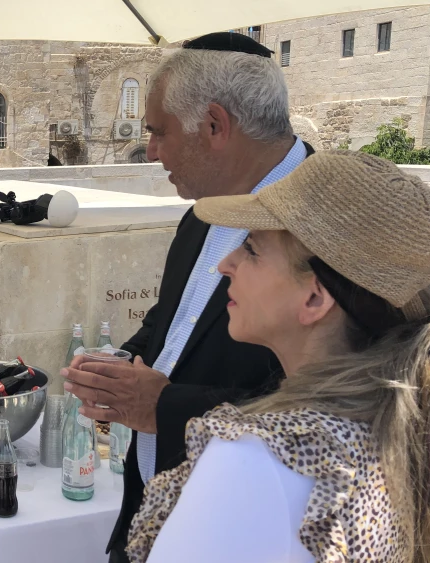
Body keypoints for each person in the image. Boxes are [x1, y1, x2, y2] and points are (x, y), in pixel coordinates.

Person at [122, 151, 430, 562]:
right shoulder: (420, 431)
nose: (225, 264)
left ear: (315, 297)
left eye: (251, 248)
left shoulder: (259, 462)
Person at [60, 32, 313, 562]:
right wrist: (119, 365)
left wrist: (164, 407)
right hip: (150, 515)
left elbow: (327, 406)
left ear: (216, 127)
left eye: (159, 132)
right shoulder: (203, 211)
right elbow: (172, 323)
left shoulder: (328, 225)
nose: (150, 150)